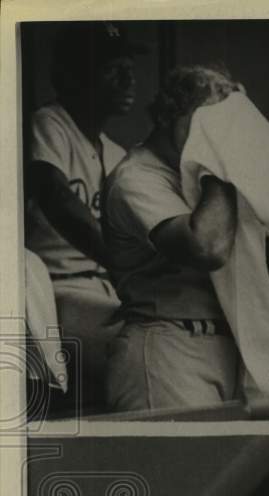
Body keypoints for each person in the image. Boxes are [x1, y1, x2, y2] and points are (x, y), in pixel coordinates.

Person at [101, 65, 243, 412]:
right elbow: (207, 247)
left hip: (222, 348)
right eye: (203, 121)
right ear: (168, 115)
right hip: (167, 348)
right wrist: (220, 164)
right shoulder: (134, 177)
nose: (212, 135)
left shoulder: (190, 173)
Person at [24, 21, 142, 411]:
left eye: (129, 67)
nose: (128, 78)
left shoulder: (117, 153)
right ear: (74, 76)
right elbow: (56, 197)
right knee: (139, 343)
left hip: (107, 289)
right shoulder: (48, 124)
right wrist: (123, 262)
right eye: (112, 68)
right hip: (55, 290)